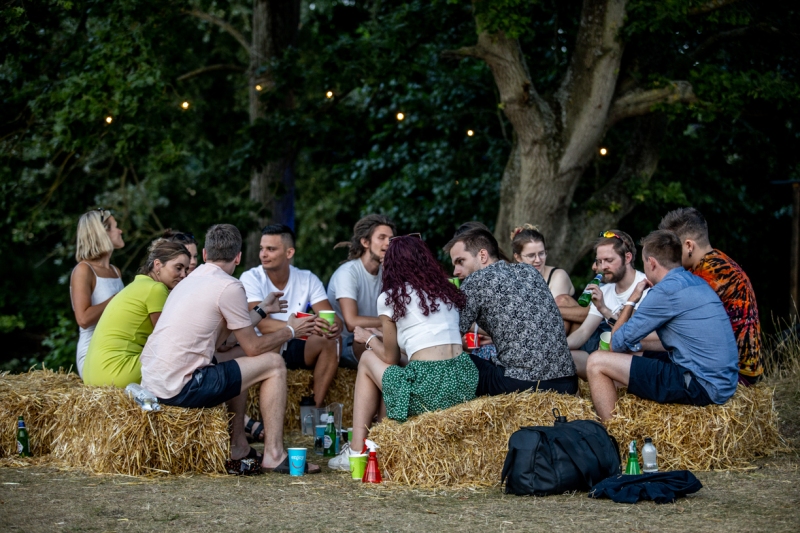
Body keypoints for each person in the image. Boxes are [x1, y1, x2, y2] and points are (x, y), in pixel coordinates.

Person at [140, 224, 322, 475]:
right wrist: (291, 330)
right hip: (182, 387)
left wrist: (262, 310)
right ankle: (274, 454)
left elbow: (225, 340)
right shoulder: (230, 287)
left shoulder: (190, 280)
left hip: (154, 384)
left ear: (204, 254)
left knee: (238, 359)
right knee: (273, 363)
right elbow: (254, 345)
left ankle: (238, 446)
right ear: (238, 257)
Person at [328, 234, 478, 469]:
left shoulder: (391, 298)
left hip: (429, 390)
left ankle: (356, 451)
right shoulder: (447, 291)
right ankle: (384, 441)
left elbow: (390, 357)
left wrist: (368, 339)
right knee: (398, 367)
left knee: (368, 358)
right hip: (463, 383)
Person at [586, 230, 739, 421]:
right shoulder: (697, 282)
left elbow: (616, 342)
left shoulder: (663, 292)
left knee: (596, 361)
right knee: (639, 349)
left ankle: (614, 434)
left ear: (651, 263)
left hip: (701, 386)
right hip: (725, 382)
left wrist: (632, 299)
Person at [446, 227, 578, 395]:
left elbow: (450, 335)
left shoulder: (475, 281)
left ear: (482, 255)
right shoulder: (529, 271)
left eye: (460, 261)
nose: (455, 272)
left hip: (520, 385)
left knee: (455, 363)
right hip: (568, 383)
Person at [240, 224, 342, 409]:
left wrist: (334, 326)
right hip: (265, 345)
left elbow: (330, 316)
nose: (263, 254)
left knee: (332, 340)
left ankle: (313, 410)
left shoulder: (307, 278)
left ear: (289, 253)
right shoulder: (250, 278)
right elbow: (262, 324)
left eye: (271, 249)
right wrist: (299, 325)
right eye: (262, 249)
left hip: (298, 343)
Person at [659, 207, 762, 385]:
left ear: (689, 246)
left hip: (734, 373)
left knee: (645, 367)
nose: (667, 256)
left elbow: (678, 328)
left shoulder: (708, 275)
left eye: (671, 249)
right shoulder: (717, 261)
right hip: (733, 365)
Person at [82, 241, 190, 387]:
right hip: (116, 375)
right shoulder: (156, 289)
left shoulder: (136, 285)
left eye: (186, 270)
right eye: (178, 268)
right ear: (158, 265)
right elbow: (168, 341)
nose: (183, 275)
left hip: (92, 376)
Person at [566, 230, 651, 379]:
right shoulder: (605, 290)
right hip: (605, 360)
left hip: (635, 363)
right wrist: (554, 348)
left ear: (627, 258)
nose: (602, 267)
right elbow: (584, 332)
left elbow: (632, 337)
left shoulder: (645, 287)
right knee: (566, 356)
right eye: (599, 261)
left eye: (609, 260)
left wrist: (603, 309)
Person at [327, 214, 396, 368]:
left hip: (378, 334)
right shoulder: (348, 273)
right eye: (382, 237)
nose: (388, 243)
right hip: (347, 343)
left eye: (391, 239)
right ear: (365, 242)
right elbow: (352, 323)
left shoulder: (387, 274)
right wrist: (390, 323)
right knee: (373, 341)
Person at [70, 208, 125, 377]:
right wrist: (117, 299)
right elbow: (83, 319)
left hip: (118, 347)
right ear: (103, 232)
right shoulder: (83, 270)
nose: (120, 230)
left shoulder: (115, 271)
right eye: (115, 227)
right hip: (93, 353)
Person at [511, 224, 575, 298]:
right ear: (518, 257)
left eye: (541, 253)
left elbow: (552, 308)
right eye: (531, 255)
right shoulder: (513, 279)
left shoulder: (558, 276)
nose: (538, 260)